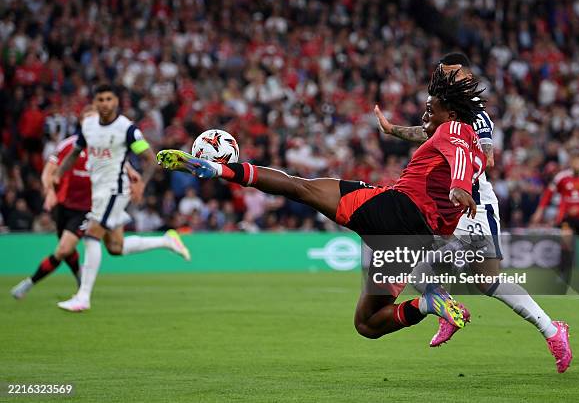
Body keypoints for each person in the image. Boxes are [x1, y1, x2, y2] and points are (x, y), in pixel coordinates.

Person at [157, 67, 484, 341]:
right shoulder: (469, 140)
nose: (426, 113)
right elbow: (443, 143)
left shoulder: (453, 130)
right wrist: (394, 131)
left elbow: (452, 151)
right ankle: (429, 305)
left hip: (395, 209)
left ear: (451, 114)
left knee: (300, 187)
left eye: (431, 108)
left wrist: (458, 186)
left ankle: (219, 168)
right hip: (415, 239)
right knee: (367, 323)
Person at [374, 52, 572, 373]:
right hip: (443, 204)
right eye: (442, 74)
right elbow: (427, 133)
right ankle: (448, 309)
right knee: (412, 265)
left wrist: (460, 167)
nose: (446, 80)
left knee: (487, 281)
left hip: (474, 207)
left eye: (451, 75)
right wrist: (393, 130)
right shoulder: (444, 113)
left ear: (466, 77)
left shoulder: (476, 115)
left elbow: (488, 157)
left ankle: (552, 330)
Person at [53, 85, 191, 312]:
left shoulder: (126, 129)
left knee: (91, 235)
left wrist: (141, 184)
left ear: (116, 101)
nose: (105, 103)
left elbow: (150, 158)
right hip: (98, 191)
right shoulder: (88, 126)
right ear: (95, 103)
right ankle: (166, 241)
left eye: (109, 99)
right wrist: (58, 174)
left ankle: (83, 297)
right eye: (101, 99)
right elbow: (75, 152)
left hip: (114, 189)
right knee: (115, 247)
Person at [10, 108, 143, 300]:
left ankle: (29, 283)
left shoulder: (105, 147)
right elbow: (49, 170)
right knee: (68, 249)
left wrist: (130, 172)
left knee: (64, 249)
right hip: (63, 206)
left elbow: (119, 161)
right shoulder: (69, 145)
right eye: (87, 119)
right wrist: (49, 192)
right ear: (81, 123)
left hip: (88, 208)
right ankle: (81, 279)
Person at [532, 151, 579, 281]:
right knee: (567, 243)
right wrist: (539, 211)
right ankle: (563, 274)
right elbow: (548, 194)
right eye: (575, 161)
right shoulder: (561, 177)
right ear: (571, 163)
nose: (577, 164)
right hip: (566, 217)